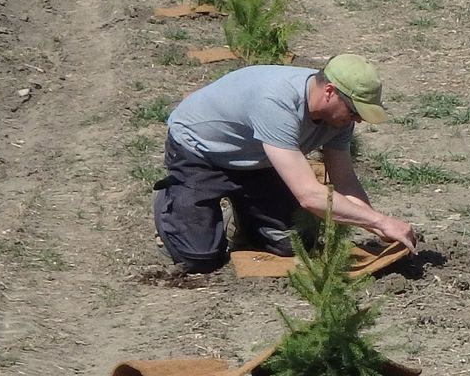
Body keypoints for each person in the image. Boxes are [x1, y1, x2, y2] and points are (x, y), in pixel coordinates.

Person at [153, 54, 419, 272]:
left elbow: (345, 181)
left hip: (260, 161)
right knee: (200, 259)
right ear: (330, 92)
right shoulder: (277, 102)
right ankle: (174, 198)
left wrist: (378, 227)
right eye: (354, 111)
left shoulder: (338, 119)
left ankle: (245, 217)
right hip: (201, 154)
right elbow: (309, 196)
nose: (358, 120)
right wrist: (381, 221)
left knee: (293, 244)